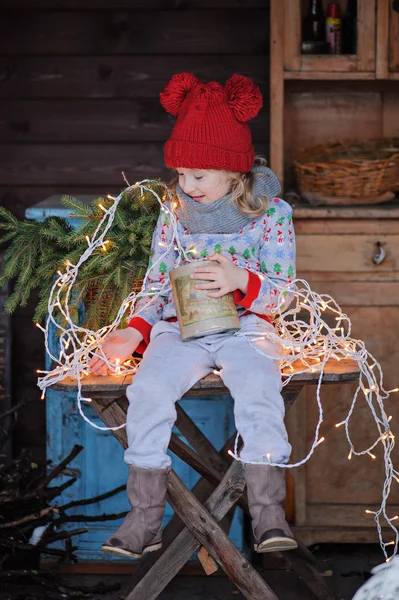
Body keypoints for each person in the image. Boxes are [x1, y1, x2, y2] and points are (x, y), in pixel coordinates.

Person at [89, 72, 297, 558]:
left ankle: (268, 512)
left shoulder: (272, 214)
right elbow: (159, 283)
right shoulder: (175, 210)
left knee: (259, 388)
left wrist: (241, 282)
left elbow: (285, 295)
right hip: (180, 328)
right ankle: (145, 518)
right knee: (148, 389)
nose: (187, 185)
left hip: (247, 329)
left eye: (198, 174)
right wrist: (134, 329)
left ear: (234, 171)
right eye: (180, 174)